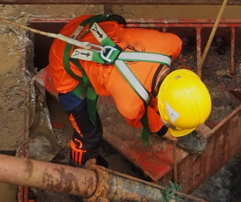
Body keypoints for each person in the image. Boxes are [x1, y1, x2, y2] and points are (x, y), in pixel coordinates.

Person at [47, 14, 212, 167]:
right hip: (62, 58)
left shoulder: (172, 43)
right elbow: (143, 118)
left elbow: (151, 81)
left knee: (148, 86)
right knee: (89, 133)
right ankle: (79, 168)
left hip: (86, 25)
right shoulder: (130, 105)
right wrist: (165, 131)